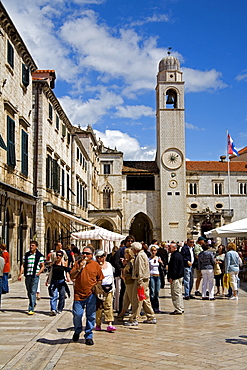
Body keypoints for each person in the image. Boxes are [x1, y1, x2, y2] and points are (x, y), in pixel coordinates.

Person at [70, 246, 104, 345]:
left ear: (92, 255)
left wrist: (97, 287)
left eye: (87, 254)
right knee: (77, 314)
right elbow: (72, 276)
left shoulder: (95, 265)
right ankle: (77, 330)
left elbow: (100, 278)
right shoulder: (77, 264)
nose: (85, 255)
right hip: (78, 294)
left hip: (91, 294)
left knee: (91, 316)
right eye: (83, 253)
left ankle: (89, 335)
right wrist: (80, 268)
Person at [124, 242, 156, 326]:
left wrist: (139, 282)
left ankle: (134, 318)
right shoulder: (143, 254)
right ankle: (151, 316)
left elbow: (140, 269)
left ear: (134, 249)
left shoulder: (140, 256)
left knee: (136, 299)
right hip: (144, 280)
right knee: (144, 299)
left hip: (140, 280)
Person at [18, 241, 45, 315]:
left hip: (35, 276)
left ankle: (31, 308)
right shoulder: (26, 255)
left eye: (32, 245)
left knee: (33, 292)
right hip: (27, 275)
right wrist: (20, 274)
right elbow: (23, 265)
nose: (31, 247)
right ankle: (33, 302)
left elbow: (42, 266)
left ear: (36, 246)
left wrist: (38, 273)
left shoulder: (39, 256)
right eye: (30, 245)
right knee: (29, 291)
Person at [95, 249, 116, 332]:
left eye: (102, 256)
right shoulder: (95, 266)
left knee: (109, 305)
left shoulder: (109, 265)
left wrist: (113, 287)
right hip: (99, 288)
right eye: (98, 257)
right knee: (99, 307)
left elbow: (111, 276)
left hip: (109, 287)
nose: (101, 258)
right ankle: (98, 324)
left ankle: (109, 323)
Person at [113, 236, 135, 313]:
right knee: (123, 292)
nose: (130, 242)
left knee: (134, 293)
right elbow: (116, 261)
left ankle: (134, 309)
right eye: (128, 241)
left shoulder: (134, 251)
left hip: (133, 275)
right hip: (125, 275)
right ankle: (121, 309)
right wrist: (121, 269)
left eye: (132, 241)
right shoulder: (121, 250)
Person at [46, 251, 70, 315]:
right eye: (57, 255)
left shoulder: (64, 264)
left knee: (62, 296)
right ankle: (53, 309)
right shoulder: (53, 263)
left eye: (59, 255)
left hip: (61, 282)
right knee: (54, 296)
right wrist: (47, 280)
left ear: (62, 256)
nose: (58, 256)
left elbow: (67, 271)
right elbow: (51, 272)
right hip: (54, 281)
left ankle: (60, 308)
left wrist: (68, 278)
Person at [167, 242, 184, 315]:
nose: (168, 249)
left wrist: (171, 277)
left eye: (170, 248)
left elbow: (174, 268)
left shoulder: (175, 256)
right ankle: (181, 307)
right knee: (179, 293)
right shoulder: (178, 255)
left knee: (175, 293)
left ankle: (178, 309)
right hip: (179, 277)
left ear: (174, 248)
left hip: (175, 278)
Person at [118, 247, 135, 318]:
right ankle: (122, 313)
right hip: (127, 283)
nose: (124, 254)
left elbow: (133, 274)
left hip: (131, 283)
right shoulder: (128, 262)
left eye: (126, 253)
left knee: (132, 299)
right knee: (126, 299)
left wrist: (125, 275)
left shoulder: (132, 262)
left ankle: (135, 315)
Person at [148, 246, 162, 312]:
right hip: (151, 275)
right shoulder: (149, 259)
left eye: (155, 250)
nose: (154, 252)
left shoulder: (158, 258)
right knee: (152, 292)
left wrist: (161, 262)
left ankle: (157, 306)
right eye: (152, 250)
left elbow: (162, 266)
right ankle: (153, 306)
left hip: (157, 275)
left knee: (157, 292)